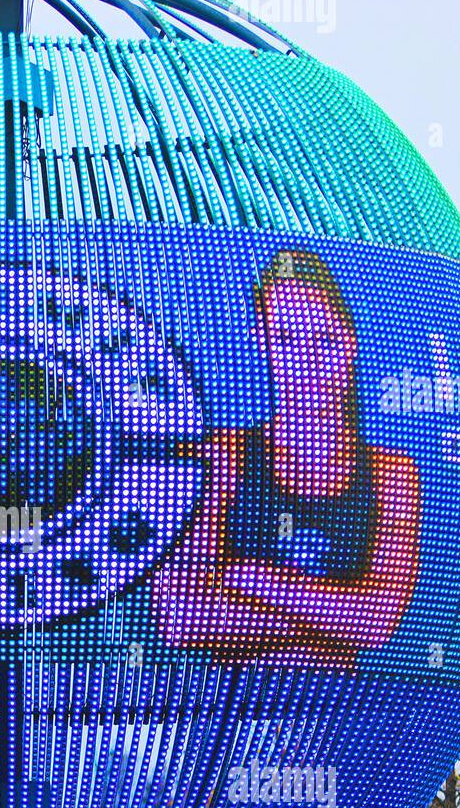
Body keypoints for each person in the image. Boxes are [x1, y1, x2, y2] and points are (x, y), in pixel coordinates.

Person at [151, 249, 420, 667]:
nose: (308, 361)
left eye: (323, 340)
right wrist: (322, 630)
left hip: (333, 714)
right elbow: (178, 615)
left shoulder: (393, 477)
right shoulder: (224, 458)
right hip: (224, 707)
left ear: (349, 344)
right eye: (288, 340)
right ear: (264, 343)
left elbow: (377, 621)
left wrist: (249, 579)